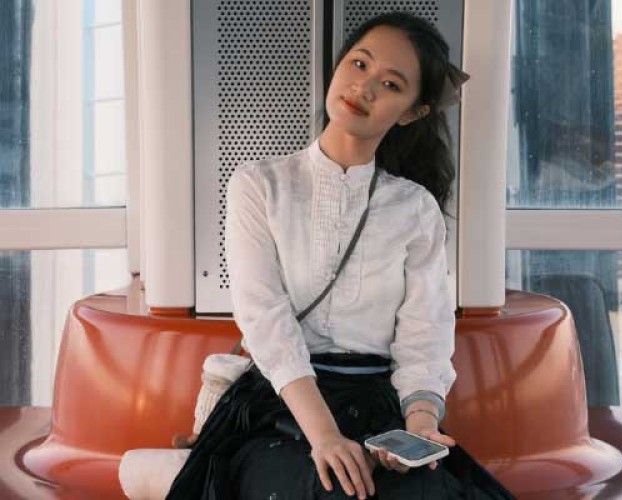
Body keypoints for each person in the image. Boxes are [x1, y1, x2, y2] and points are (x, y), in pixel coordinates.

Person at [167, 10, 511, 500]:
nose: (365, 87)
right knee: (324, 487)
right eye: (359, 64)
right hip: (280, 407)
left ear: (412, 112)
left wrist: (419, 426)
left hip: (378, 406)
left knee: (423, 494)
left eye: (391, 84)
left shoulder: (415, 209)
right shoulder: (258, 185)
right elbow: (264, 317)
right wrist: (325, 437)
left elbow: (425, 333)